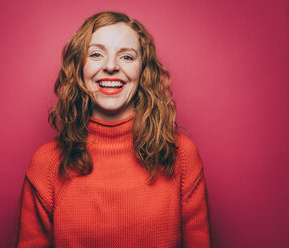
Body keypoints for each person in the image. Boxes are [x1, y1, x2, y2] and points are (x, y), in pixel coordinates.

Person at [13, 10, 213, 248]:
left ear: (143, 71)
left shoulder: (181, 155)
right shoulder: (46, 164)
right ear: (79, 68)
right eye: (96, 54)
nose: (110, 66)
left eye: (127, 57)